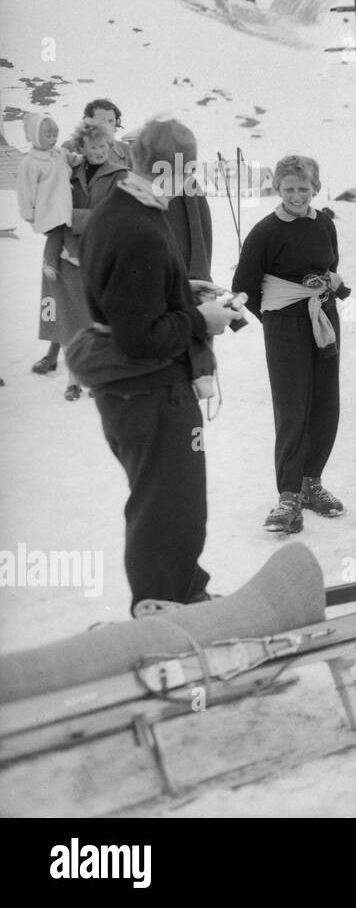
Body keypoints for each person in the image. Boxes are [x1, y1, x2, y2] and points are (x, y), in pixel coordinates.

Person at [78, 117, 241, 616]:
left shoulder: (121, 210)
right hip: (148, 391)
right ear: (179, 168)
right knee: (164, 505)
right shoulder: (140, 229)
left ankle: (184, 591)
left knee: (178, 502)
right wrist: (201, 320)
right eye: (190, 169)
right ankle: (159, 606)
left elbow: (126, 301)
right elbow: (142, 338)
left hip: (141, 392)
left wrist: (180, 291)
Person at [233, 155, 350, 535]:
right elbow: (244, 288)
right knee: (291, 407)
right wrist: (276, 320)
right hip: (284, 324)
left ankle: (311, 482)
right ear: (277, 190)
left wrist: (329, 289)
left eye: (303, 188)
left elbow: (330, 265)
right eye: (289, 189)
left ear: (315, 188)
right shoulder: (265, 231)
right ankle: (288, 495)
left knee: (324, 401)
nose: (296, 195)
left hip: (323, 318)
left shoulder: (325, 224)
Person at [17, 112, 89, 397]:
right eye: (47, 134)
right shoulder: (30, 162)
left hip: (65, 213)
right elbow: (25, 192)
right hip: (49, 214)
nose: (53, 138)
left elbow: (70, 161)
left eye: (55, 133)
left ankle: (63, 256)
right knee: (56, 242)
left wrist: (78, 160)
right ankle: (52, 261)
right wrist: (30, 214)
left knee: (64, 239)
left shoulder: (58, 154)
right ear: (35, 136)